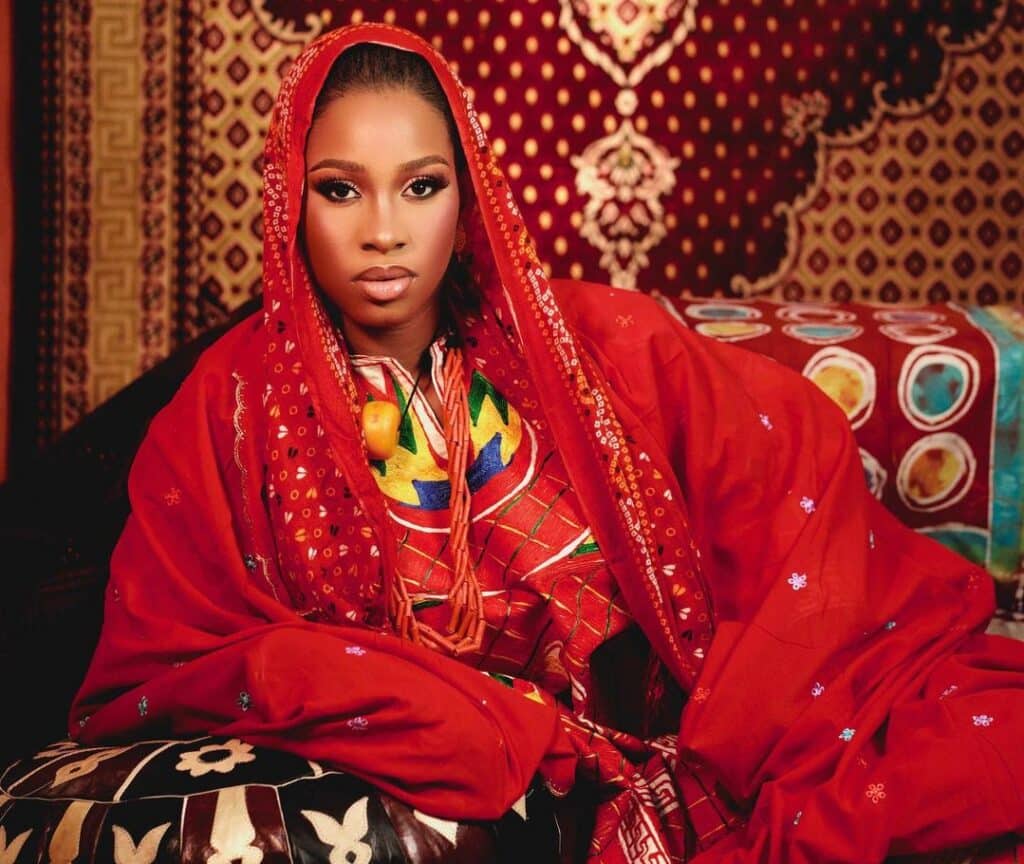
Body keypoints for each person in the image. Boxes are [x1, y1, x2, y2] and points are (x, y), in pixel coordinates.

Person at [69, 22, 1024, 863]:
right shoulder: (229, 405)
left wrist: (743, 709)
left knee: (962, 759)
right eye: (339, 190)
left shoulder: (574, 349)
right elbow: (174, 649)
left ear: (468, 190)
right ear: (289, 199)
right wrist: (456, 712)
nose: (385, 232)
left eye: (422, 185)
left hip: (671, 735)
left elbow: (785, 456)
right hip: (508, 777)